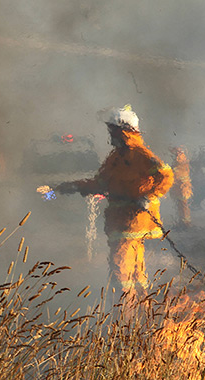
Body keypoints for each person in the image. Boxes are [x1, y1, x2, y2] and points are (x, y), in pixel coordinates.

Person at [39, 105, 173, 295]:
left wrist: (148, 196)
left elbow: (165, 175)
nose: (110, 134)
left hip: (131, 223)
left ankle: (123, 317)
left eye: (113, 130)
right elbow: (100, 183)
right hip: (124, 224)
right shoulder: (116, 158)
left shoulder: (140, 154)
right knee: (136, 274)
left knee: (122, 274)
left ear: (123, 131)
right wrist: (63, 188)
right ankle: (141, 316)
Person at [169, 146, 192, 227]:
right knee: (181, 204)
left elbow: (176, 171)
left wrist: (169, 170)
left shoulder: (180, 158)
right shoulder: (180, 158)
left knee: (183, 205)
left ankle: (186, 223)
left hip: (183, 187)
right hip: (180, 186)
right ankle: (182, 221)